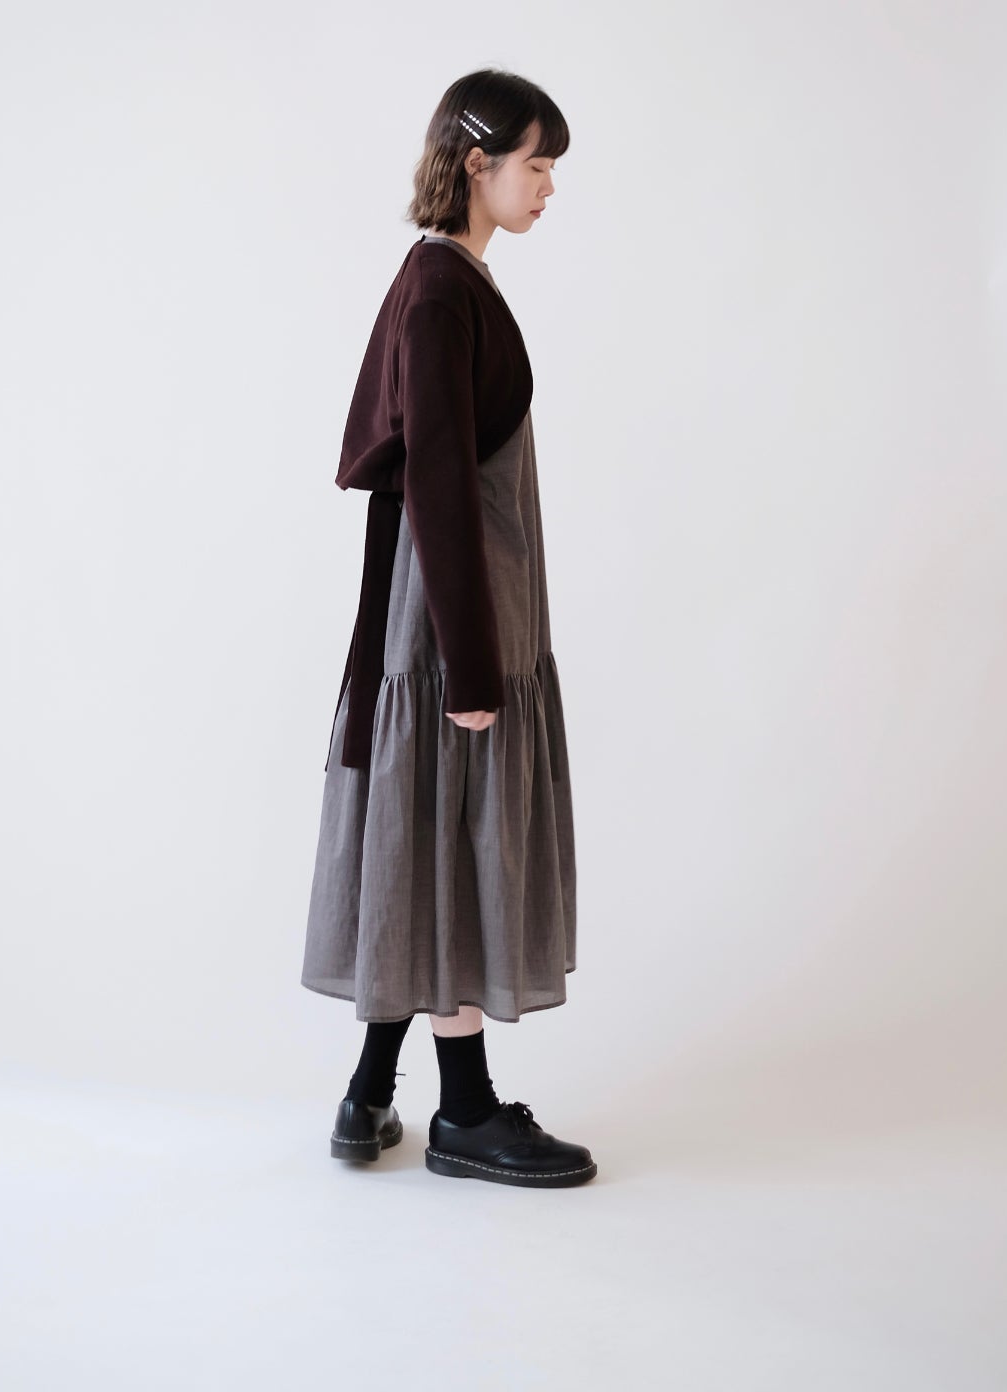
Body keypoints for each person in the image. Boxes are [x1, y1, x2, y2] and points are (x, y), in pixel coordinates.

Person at [300, 68, 596, 1189]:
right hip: (448, 619)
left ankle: (368, 1092)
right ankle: (464, 1115)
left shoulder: (449, 279)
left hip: (456, 607)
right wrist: (470, 665)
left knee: (428, 830)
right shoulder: (439, 291)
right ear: (477, 164)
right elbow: (431, 477)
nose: (549, 185)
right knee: (458, 835)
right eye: (536, 163)